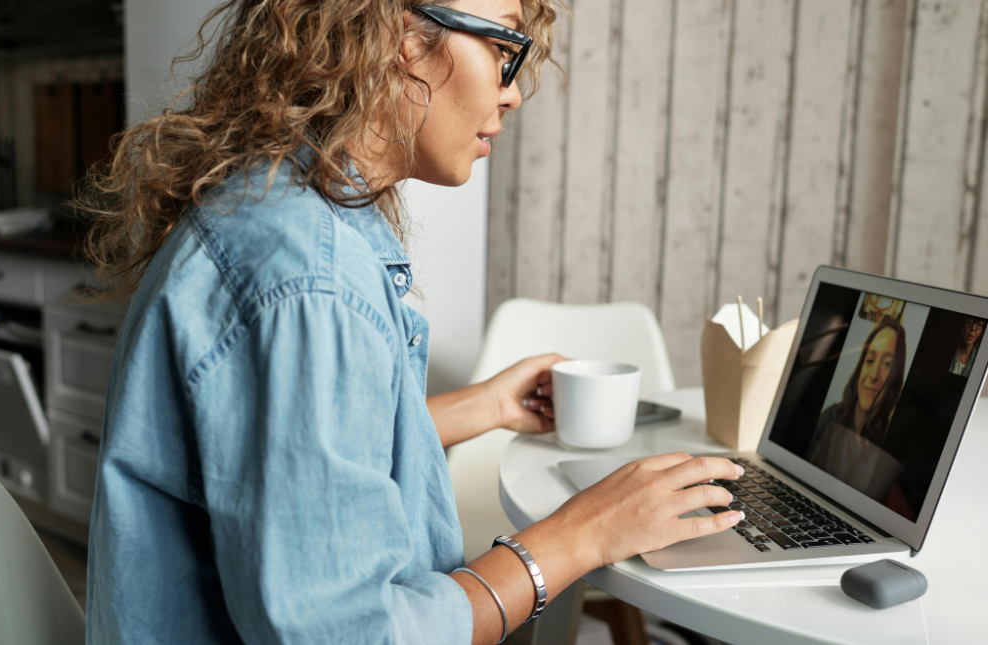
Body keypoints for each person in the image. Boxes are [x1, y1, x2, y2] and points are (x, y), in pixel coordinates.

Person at [77, 1, 746, 643]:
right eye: (503, 44)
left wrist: (484, 405)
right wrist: (578, 536)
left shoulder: (275, 211)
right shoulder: (312, 281)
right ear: (402, 35)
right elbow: (352, 633)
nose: (512, 93)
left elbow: (294, 466)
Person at [808, 316, 907, 498]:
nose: (873, 375)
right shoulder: (830, 419)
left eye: (887, 364)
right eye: (870, 360)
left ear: (896, 376)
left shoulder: (891, 444)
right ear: (861, 365)